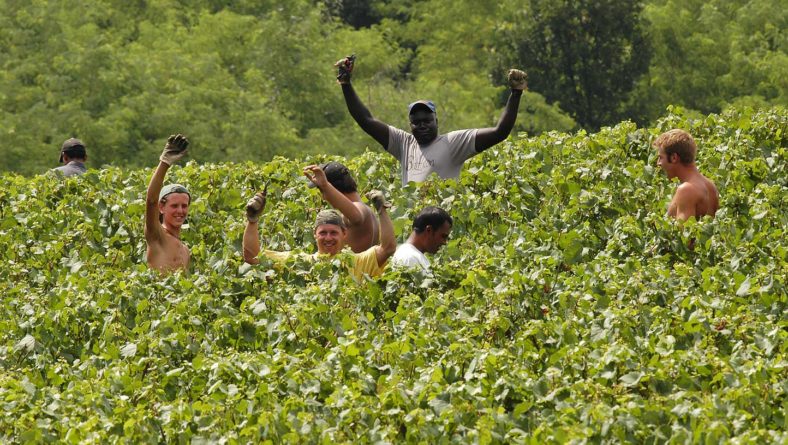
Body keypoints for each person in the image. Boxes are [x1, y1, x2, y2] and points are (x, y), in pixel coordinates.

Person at [335, 55, 528, 185]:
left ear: (436, 120)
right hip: (412, 229)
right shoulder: (404, 143)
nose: (422, 125)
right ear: (410, 125)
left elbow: (500, 132)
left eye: (427, 120)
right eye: (416, 122)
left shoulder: (453, 143)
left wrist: (515, 93)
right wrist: (346, 83)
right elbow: (366, 120)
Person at [243, 188, 396, 282]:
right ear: (314, 234)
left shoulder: (357, 262)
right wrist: (252, 220)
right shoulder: (299, 262)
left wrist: (382, 211)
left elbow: (388, 248)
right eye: (323, 233)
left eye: (333, 233)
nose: (328, 238)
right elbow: (253, 257)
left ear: (344, 233)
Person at [303, 161, 380, 253]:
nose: (323, 197)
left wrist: (325, 186)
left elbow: (356, 216)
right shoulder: (368, 210)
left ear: (333, 189)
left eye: (321, 191)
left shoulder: (359, 208)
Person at [145, 134, 191, 273]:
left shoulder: (185, 250)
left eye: (184, 206)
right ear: (161, 207)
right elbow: (151, 200)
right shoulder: (157, 236)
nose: (180, 211)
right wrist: (165, 162)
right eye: (174, 206)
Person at [654, 129, 719, 221]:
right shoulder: (710, 186)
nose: (658, 163)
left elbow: (683, 232)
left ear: (674, 158)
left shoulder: (686, 190)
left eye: (661, 157)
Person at [391, 206, 453, 273]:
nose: (444, 242)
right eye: (443, 236)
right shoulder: (409, 258)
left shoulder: (413, 256)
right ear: (429, 230)